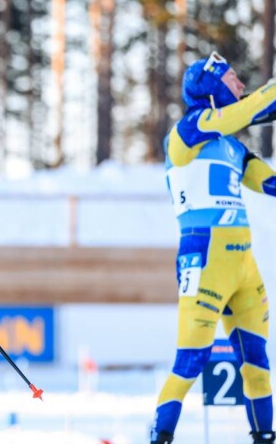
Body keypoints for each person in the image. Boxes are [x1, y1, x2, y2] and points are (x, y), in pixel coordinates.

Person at [151, 52, 276, 444]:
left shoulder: (232, 147)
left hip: (243, 264)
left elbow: (269, 182)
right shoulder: (186, 131)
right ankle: (160, 436)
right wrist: (268, 96)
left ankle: (265, 437)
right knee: (191, 360)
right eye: (232, 78)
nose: (240, 84)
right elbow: (245, 111)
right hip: (204, 258)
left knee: (257, 365)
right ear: (210, 87)